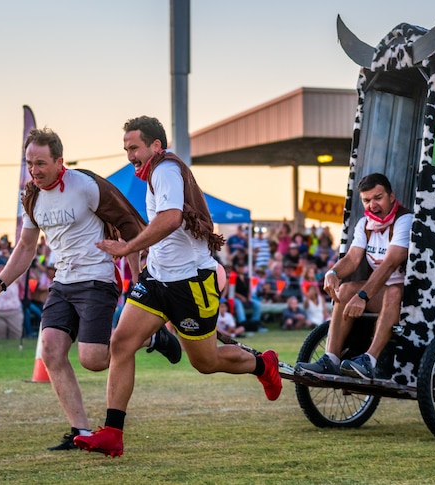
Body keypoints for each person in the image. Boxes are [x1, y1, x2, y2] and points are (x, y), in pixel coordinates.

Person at [74, 116, 282, 457]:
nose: (130, 156)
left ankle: (263, 365)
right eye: (126, 149)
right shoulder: (155, 173)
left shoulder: (165, 169)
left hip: (189, 284)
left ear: (155, 146)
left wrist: (128, 248)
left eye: (134, 148)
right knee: (122, 344)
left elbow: (170, 219)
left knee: (205, 361)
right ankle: (113, 432)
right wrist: (142, 257)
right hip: (157, 280)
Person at [0, 126, 182, 452]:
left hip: (98, 279)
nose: (34, 170)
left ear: (60, 161)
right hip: (62, 282)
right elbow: (27, 246)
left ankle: (153, 337)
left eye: (41, 163)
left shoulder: (86, 184)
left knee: (94, 359)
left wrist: (136, 277)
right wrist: (1, 282)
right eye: (30, 162)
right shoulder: (31, 195)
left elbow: (129, 224)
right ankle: (79, 430)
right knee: (52, 350)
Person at [296, 173, 411, 380]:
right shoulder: (364, 224)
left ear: (391, 196)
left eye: (378, 198)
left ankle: (370, 360)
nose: (372, 205)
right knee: (346, 289)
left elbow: (390, 263)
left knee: (392, 291)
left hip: (409, 297)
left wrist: (363, 295)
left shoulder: (405, 220)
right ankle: (331, 358)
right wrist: (333, 273)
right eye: (367, 200)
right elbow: (352, 259)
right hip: (380, 293)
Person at [0, 263, 23, 340]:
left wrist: (10, 257)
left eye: (4, 267)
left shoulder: (15, 279)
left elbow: (20, 268)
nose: (1, 269)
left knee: (16, 338)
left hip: (14, 313)